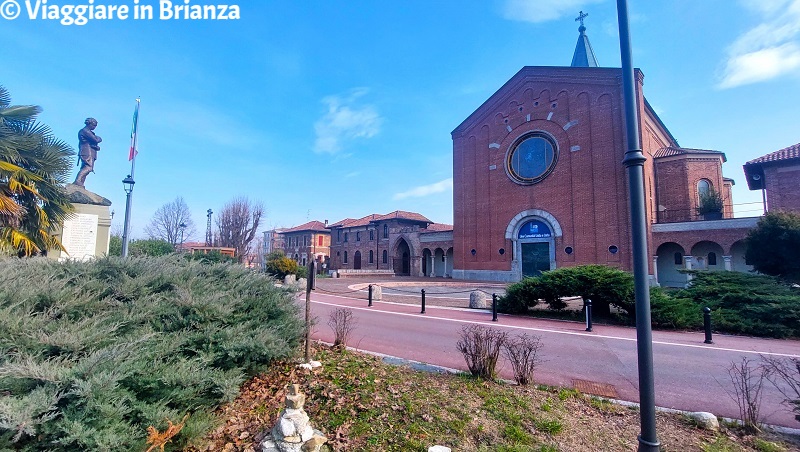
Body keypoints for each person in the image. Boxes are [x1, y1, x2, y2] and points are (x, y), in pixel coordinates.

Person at [73, 118, 102, 187]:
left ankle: (81, 183)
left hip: (91, 151)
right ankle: (78, 180)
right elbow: (96, 140)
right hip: (86, 151)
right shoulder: (85, 131)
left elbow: (93, 142)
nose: (94, 127)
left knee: (86, 168)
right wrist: (99, 138)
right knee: (88, 167)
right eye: (94, 125)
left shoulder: (89, 132)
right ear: (89, 123)